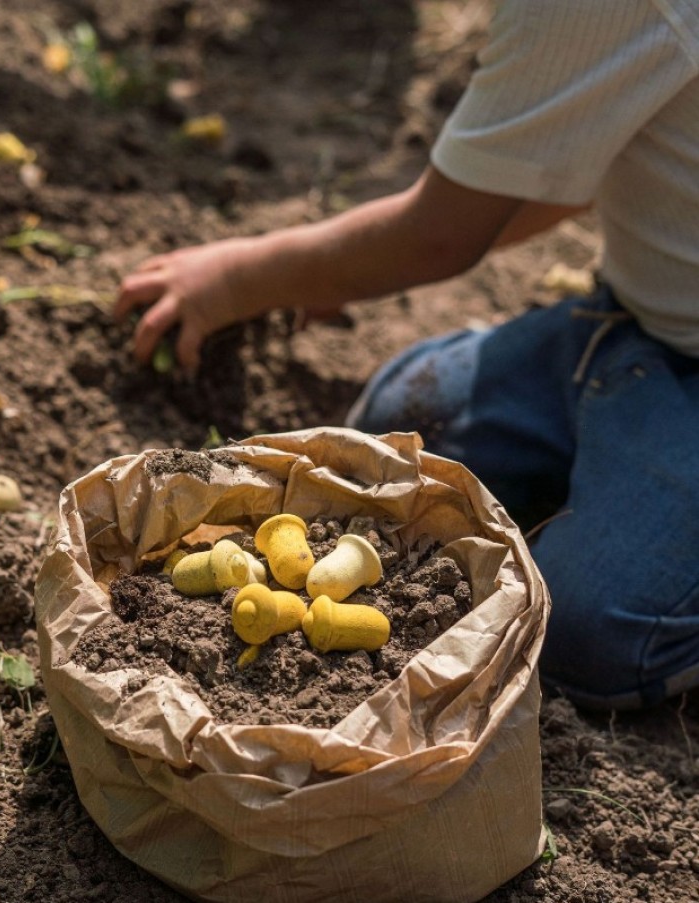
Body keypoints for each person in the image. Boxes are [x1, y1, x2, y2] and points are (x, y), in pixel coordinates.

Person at [114, 1, 699, 711]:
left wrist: (239, 279)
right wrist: (337, 265)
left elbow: (436, 234)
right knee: (400, 427)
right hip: (644, 310)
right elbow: (542, 167)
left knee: (594, 639)